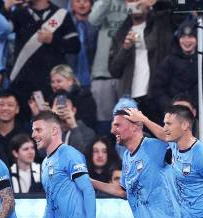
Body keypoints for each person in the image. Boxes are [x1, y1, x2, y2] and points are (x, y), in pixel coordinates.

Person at [5, 0, 81, 115]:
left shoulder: (61, 14)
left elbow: (75, 46)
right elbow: (1, 31)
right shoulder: (19, 13)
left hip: (50, 86)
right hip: (22, 84)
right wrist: (6, 8)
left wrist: (53, 40)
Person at [108, 0, 175, 123]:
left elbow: (177, 7)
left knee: (163, 136)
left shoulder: (161, 23)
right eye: (131, 1)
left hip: (157, 95)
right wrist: (125, 48)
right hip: (131, 98)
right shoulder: (121, 33)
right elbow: (114, 70)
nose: (136, 4)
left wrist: (156, 3)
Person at [88, 0, 127, 135]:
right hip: (102, 71)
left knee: (129, 121)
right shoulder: (102, 2)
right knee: (104, 125)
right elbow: (93, 20)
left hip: (129, 72)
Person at [29, 65, 97, 130]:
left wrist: (57, 117)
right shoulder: (51, 99)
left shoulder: (84, 98)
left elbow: (87, 125)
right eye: (52, 82)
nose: (55, 85)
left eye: (59, 81)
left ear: (70, 81)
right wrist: (38, 114)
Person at [0, 90, 28, 167]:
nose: (5, 108)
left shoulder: (26, 135)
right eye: (1, 104)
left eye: (10, 105)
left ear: (17, 109)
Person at [67, 0, 97, 89]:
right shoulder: (66, 24)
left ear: (92, 5)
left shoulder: (96, 25)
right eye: (78, 1)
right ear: (71, 5)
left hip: (91, 71)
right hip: (70, 71)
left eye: (85, 1)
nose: (82, 4)